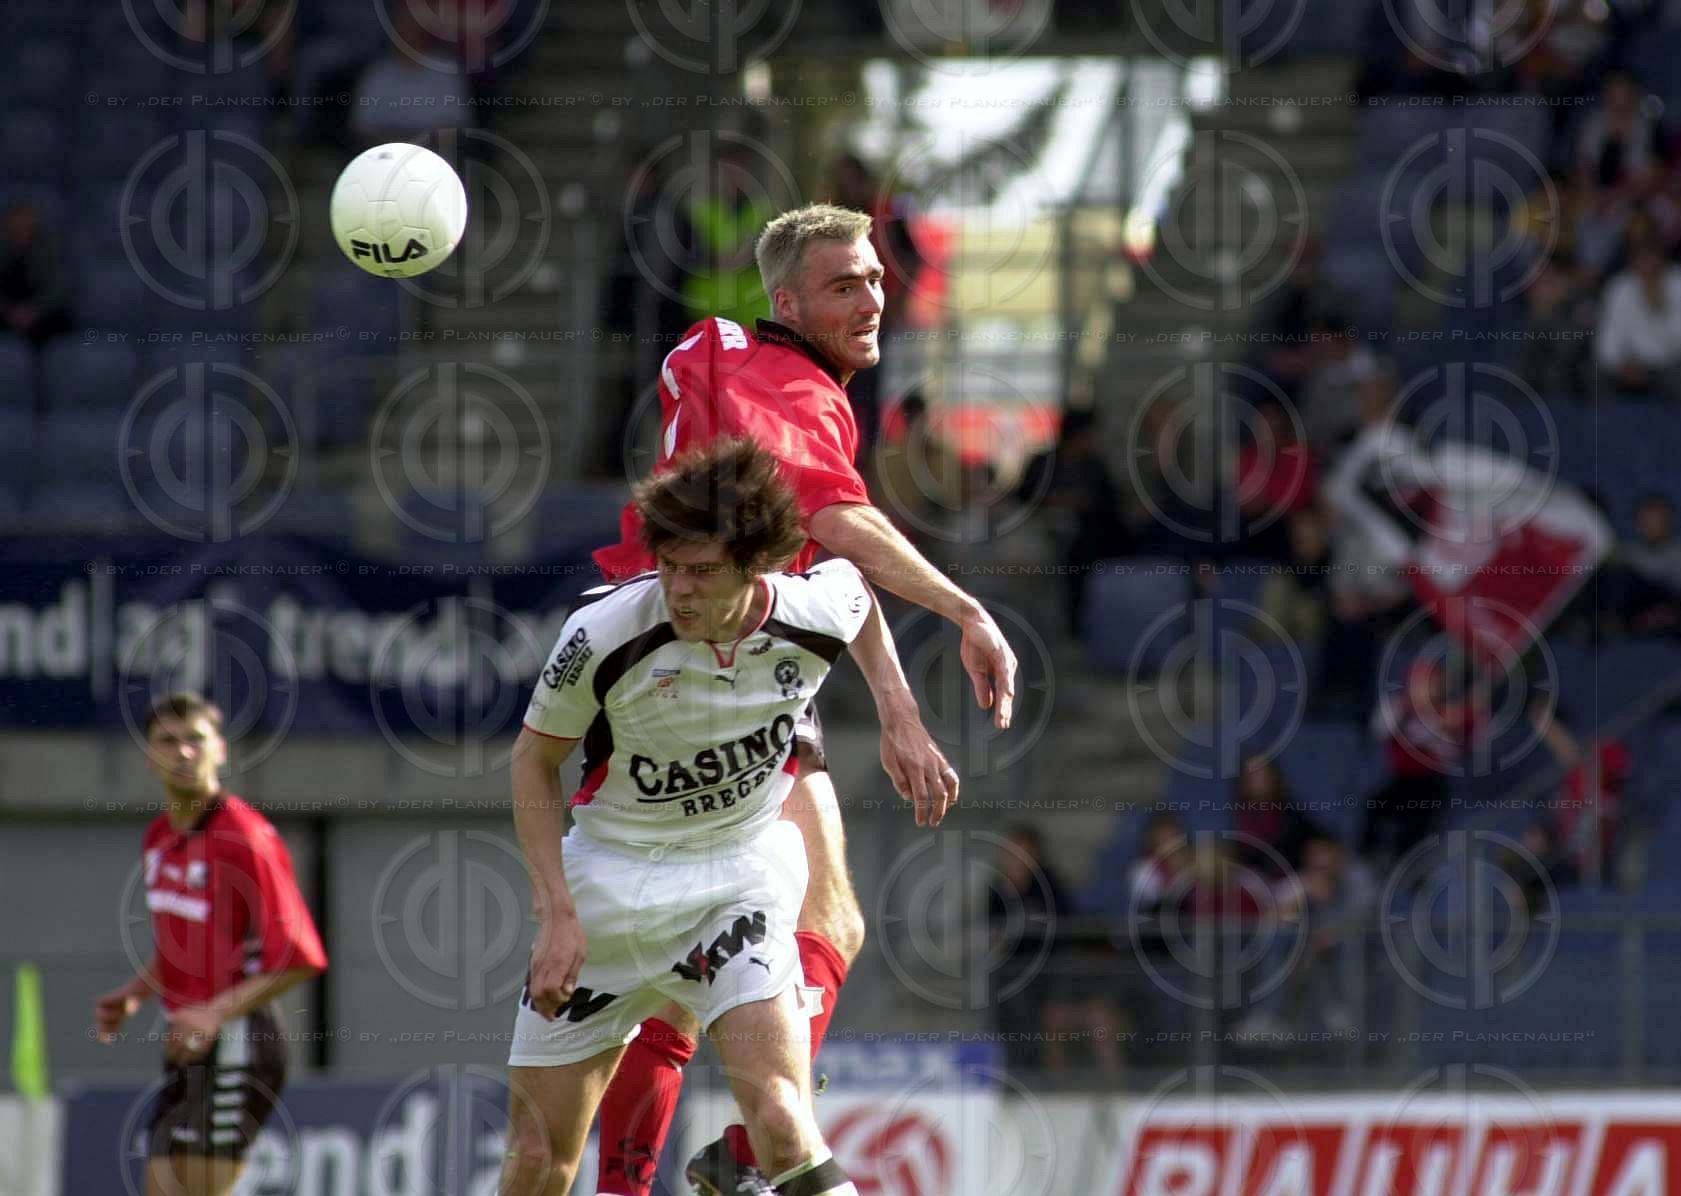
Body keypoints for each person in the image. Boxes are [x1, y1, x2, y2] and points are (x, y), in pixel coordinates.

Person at [591, 203, 1017, 1196]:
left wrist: (897, 707)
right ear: (787, 303)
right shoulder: (783, 380)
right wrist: (965, 608)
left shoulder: (752, 367)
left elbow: (825, 564)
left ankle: (737, 1157)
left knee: (826, 922)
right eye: (842, 285)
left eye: (874, 278)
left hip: (739, 663)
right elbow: (834, 516)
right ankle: (701, 1165)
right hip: (703, 669)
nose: (871, 299)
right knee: (688, 975)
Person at [502, 439, 882, 1196]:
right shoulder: (604, 633)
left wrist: (899, 711)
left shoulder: (810, 613)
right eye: (669, 566)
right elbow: (531, 762)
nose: (678, 589)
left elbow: (860, 592)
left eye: (702, 571)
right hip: (607, 888)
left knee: (780, 1122)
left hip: (732, 884)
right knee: (540, 1161)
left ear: (756, 565)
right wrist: (557, 915)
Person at [91, 694, 328, 1196]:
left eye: (195, 739)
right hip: (190, 1046)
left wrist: (214, 1013)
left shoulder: (244, 836)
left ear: (220, 750)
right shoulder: (160, 836)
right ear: (149, 756)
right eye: (168, 741)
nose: (183, 752)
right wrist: (136, 991)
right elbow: (189, 945)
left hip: (239, 1044)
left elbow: (301, 955)